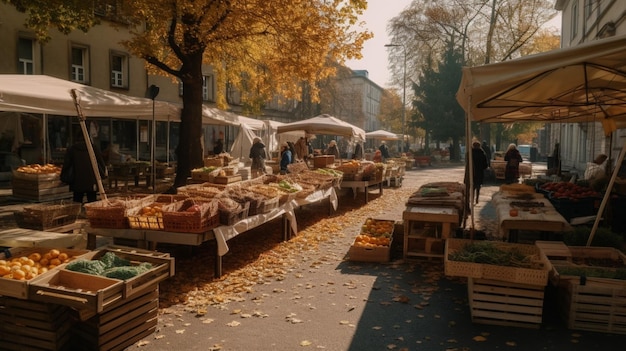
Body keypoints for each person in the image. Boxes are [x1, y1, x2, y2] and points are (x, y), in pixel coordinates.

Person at [61, 130, 107, 204]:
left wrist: (63, 177)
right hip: (91, 180)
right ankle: (91, 215)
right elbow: (101, 163)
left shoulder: (72, 149)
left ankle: (77, 215)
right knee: (92, 202)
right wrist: (103, 175)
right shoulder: (93, 148)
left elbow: (67, 165)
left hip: (77, 180)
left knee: (77, 202)